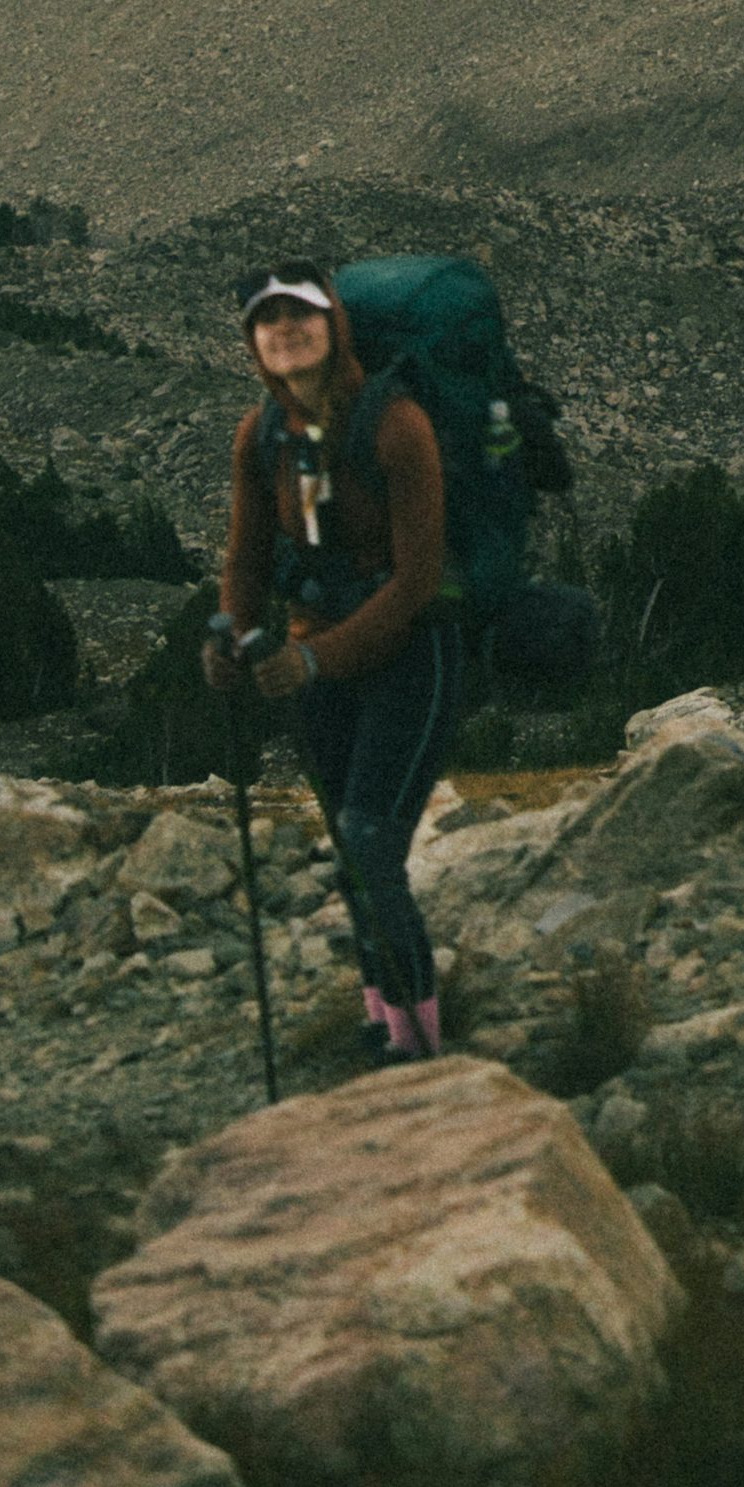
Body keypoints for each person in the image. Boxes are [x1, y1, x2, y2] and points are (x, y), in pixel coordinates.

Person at [204, 257, 468, 1063]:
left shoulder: (396, 425)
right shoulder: (264, 434)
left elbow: (417, 581)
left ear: (333, 324)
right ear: (252, 341)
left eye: (300, 313)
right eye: (266, 319)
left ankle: (420, 1048)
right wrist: (228, 632)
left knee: (369, 843)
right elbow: (248, 556)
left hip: (411, 656)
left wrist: (315, 659)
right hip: (319, 656)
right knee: (352, 850)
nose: (284, 330)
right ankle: (381, 1021)